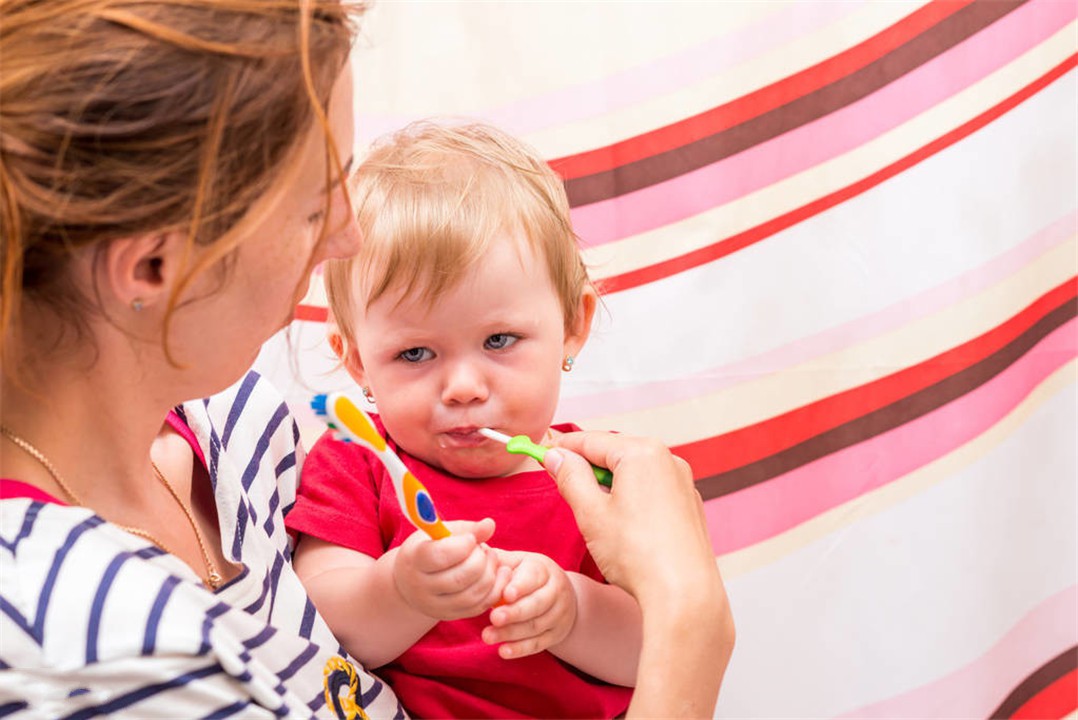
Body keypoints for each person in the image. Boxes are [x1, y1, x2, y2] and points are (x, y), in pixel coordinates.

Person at [0, 1, 734, 718]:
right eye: (316, 205)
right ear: (153, 266)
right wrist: (693, 630)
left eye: (500, 341)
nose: (346, 239)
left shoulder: (245, 425)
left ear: (572, 325)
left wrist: (590, 609)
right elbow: (343, 611)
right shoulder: (93, 642)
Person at [287, 121, 641, 718]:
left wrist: (574, 611)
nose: (464, 388)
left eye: (500, 339)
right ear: (357, 362)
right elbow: (322, 629)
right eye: (415, 354)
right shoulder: (359, 461)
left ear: (572, 326)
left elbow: (658, 649)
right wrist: (400, 592)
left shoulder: (599, 479)